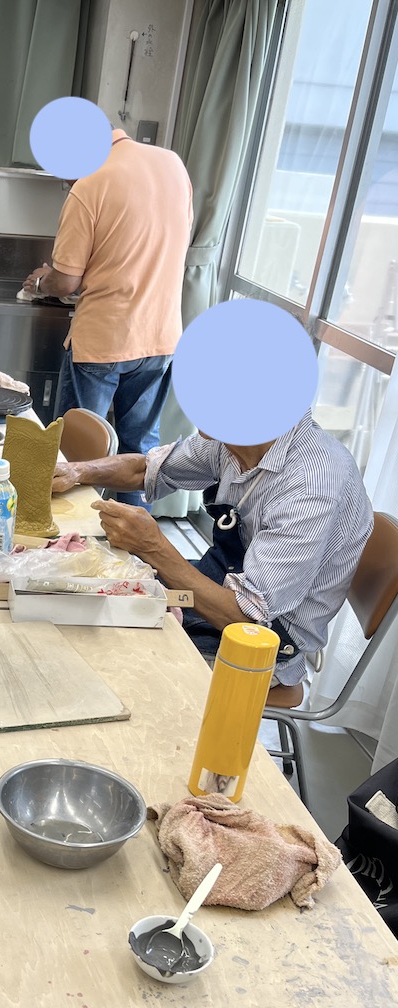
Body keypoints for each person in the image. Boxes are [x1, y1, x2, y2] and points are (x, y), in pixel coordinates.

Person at [57, 410, 374, 700]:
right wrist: (75, 471)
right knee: (80, 603)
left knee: (100, 661)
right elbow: (146, 469)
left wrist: (154, 547)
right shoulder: (238, 440)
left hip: (265, 641)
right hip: (223, 584)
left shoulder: (311, 486)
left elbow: (244, 619)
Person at [23, 125, 193, 507]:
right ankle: (132, 541)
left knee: (77, 456)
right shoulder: (173, 165)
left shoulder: (90, 184)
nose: (67, 183)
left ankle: (71, 537)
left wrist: (41, 282)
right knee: (140, 455)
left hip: (103, 341)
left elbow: (66, 282)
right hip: (161, 337)